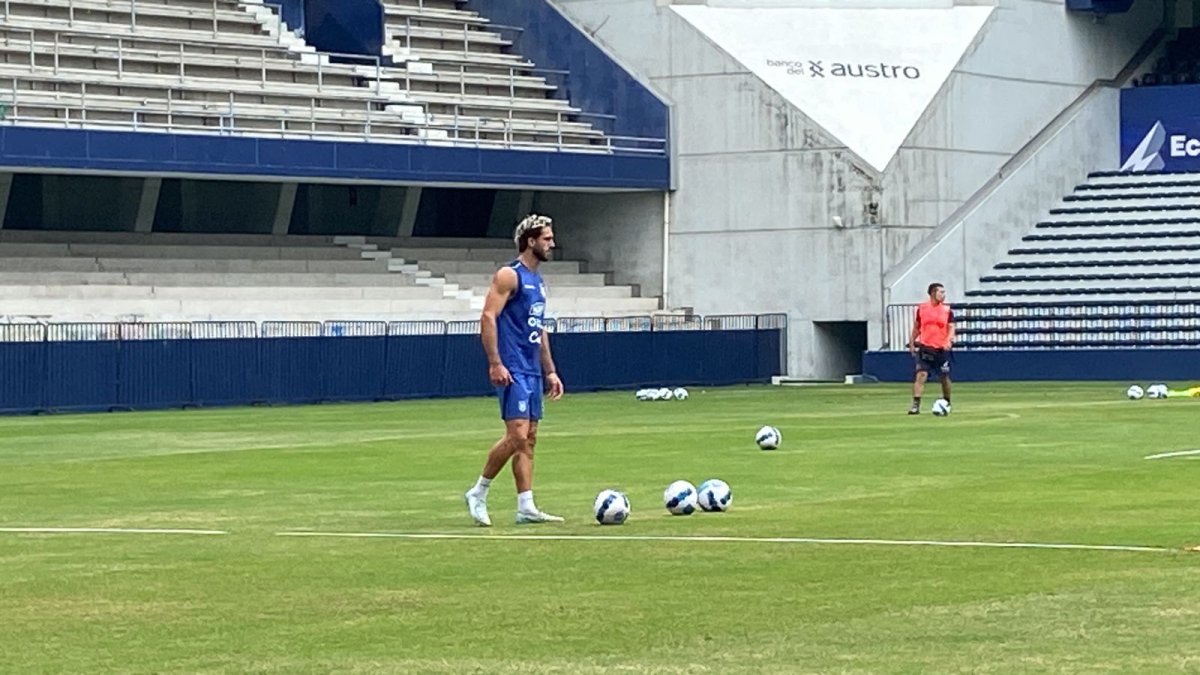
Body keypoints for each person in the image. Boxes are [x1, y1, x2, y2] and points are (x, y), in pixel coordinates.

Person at [464, 214, 566, 526]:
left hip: (532, 368)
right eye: (546, 238)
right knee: (517, 434)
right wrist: (495, 362)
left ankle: (526, 505)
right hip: (512, 368)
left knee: (529, 438)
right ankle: (478, 491)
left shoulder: (540, 282)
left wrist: (550, 370)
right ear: (530, 241)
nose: (552, 243)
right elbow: (487, 317)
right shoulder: (510, 275)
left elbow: (539, 328)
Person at [908, 282, 954, 415]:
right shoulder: (922, 309)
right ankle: (915, 405)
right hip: (925, 347)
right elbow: (917, 326)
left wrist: (949, 340)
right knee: (921, 375)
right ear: (933, 293)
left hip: (941, 349)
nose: (943, 295)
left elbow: (951, 327)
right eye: (941, 292)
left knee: (944, 378)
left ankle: (947, 401)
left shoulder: (947, 310)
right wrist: (912, 341)